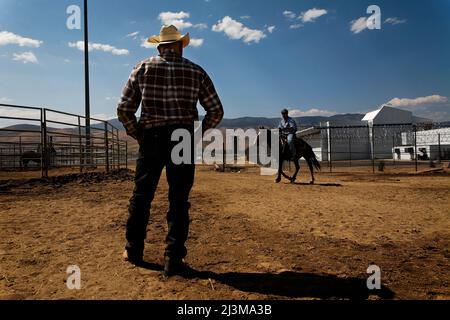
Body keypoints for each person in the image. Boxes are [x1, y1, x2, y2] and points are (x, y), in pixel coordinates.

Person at [117, 25, 224, 277]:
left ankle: (133, 251)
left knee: (142, 195)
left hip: (151, 138)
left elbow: (124, 109)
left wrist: (139, 134)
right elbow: (216, 110)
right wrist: (196, 135)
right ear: (180, 46)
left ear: (159, 47)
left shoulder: (142, 67)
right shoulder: (196, 71)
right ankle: (173, 258)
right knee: (178, 199)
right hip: (182, 138)